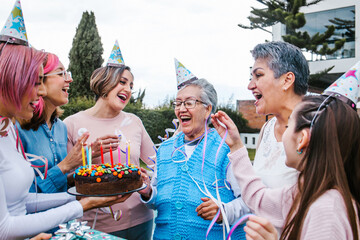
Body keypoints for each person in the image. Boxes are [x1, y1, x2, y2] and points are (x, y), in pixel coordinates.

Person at [0, 42, 131, 239]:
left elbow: (21, 199)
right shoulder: (17, 126)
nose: (41, 91)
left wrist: (86, 193)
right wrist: (81, 202)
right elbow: (8, 222)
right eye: (37, 81)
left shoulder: (19, 128)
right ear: (13, 79)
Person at [211, 94, 360, 239]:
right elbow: (258, 198)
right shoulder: (301, 192)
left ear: (302, 139)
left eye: (289, 125)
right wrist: (236, 145)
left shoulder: (327, 212)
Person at [139, 69, 250, 239]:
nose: (181, 109)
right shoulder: (165, 150)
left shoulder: (227, 148)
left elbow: (250, 200)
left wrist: (223, 212)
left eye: (189, 103)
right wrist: (148, 192)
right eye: (177, 103)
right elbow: (158, 200)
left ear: (208, 109)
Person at [64, 41, 156, 240]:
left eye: (131, 85)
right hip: (93, 225)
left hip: (141, 220)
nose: (129, 89)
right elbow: (65, 179)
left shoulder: (135, 122)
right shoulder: (71, 124)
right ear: (104, 82)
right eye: (122, 82)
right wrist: (87, 157)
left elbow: (155, 165)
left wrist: (147, 178)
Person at [17, 53, 118, 193]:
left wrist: (87, 174)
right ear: (39, 79)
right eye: (61, 73)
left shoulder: (60, 128)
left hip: (64, 215)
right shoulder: (16, 128)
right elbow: (22, 196)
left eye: (67, 73)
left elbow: (60, 186)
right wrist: (65, 165)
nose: (70, 79)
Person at [249, 41, 309, 188]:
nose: (250, 85)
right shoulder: (266, 129)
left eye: (258, 75)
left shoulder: (318, 127)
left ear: (287, 80)